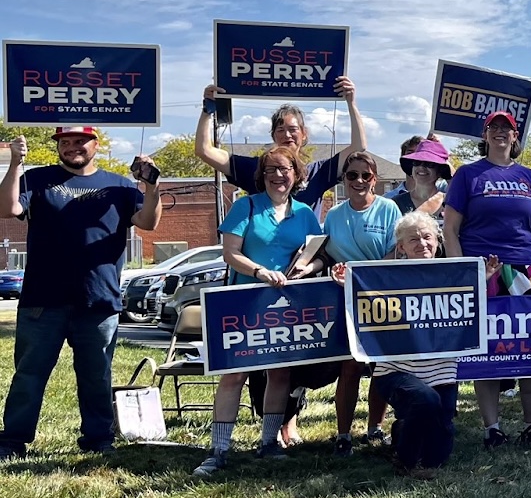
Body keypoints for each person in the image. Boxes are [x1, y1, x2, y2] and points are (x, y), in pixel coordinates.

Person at [0, 130, 162, 459]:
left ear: (95, 145)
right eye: (65, 142)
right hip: (42, 300)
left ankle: (98, 438)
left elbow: (148, 222)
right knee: (29, 373)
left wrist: (152, 186)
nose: (72, 147)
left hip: (99, 300)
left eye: (79, 141)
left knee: (96, 375)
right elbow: (7, 208)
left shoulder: (120, 185)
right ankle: (13, 440)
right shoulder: (37, 178)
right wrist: (15, 162)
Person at [193, 145, 326, 475]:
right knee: (234, 374)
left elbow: (323, 254)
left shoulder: (306, 213)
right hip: (245, 301)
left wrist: (309, 269)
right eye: (270, 170)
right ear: (261, 175)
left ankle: (268, 443)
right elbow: (230, 253)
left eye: (284, 170)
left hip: (286, 304)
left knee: (280, 373)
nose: (278, 176)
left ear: (296, 175)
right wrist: (259, 271)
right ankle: (219, 449)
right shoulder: (246, 207)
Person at [443, 111, 531, 449]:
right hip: (484, 270)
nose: (500, 134)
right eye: (494, 128)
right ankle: (491, 427)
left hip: (526, 270)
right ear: (486, 134)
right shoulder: (467, 175)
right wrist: (462, 272)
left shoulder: (530, 178)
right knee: (486, 351)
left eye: (506, 129)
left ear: (515, 135)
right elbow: (450, 230)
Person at [331, 211, 468, 479]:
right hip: (395, 371)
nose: (422, 243)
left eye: (427, 237)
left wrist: (482, 277)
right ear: (401, 247)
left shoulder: (452, 273)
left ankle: (403, 429)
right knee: (425, 400)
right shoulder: (385, 275)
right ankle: (404, 462)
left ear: (437, 241)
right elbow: (363, 295)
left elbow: (469, 300)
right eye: (413, 239)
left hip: (442, 371)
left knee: (437, 455)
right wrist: (346, 283)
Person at [323, 151, 402, 457]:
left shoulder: (388, 209)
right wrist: (333, 269)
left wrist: (366, 275)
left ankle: (375, 427)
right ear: (343, 179)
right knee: (350, 366)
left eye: (365, 175)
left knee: (381, 366)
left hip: (383, 296)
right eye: (351, 175)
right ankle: (343, 434)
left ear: (375, 179)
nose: (358, 181)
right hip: (347, 299)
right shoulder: (333, 216)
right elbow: (326, 254)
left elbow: (397, 250)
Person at [194, 79, 366, 206]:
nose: (287, 135)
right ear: (273, 135)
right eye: (280, 130)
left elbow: (359, 147)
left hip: (306, 254)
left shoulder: (318, 173)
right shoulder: (255, 169)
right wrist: (208, 109)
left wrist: (351, 103)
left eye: (293, 129)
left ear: (304, 134)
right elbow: (204, 150)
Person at [393, 139, 452, 220]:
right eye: (416, 163)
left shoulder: (451, 203)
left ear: (439, 171)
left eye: (429, 164)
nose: (421, 167)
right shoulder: (395, 203)